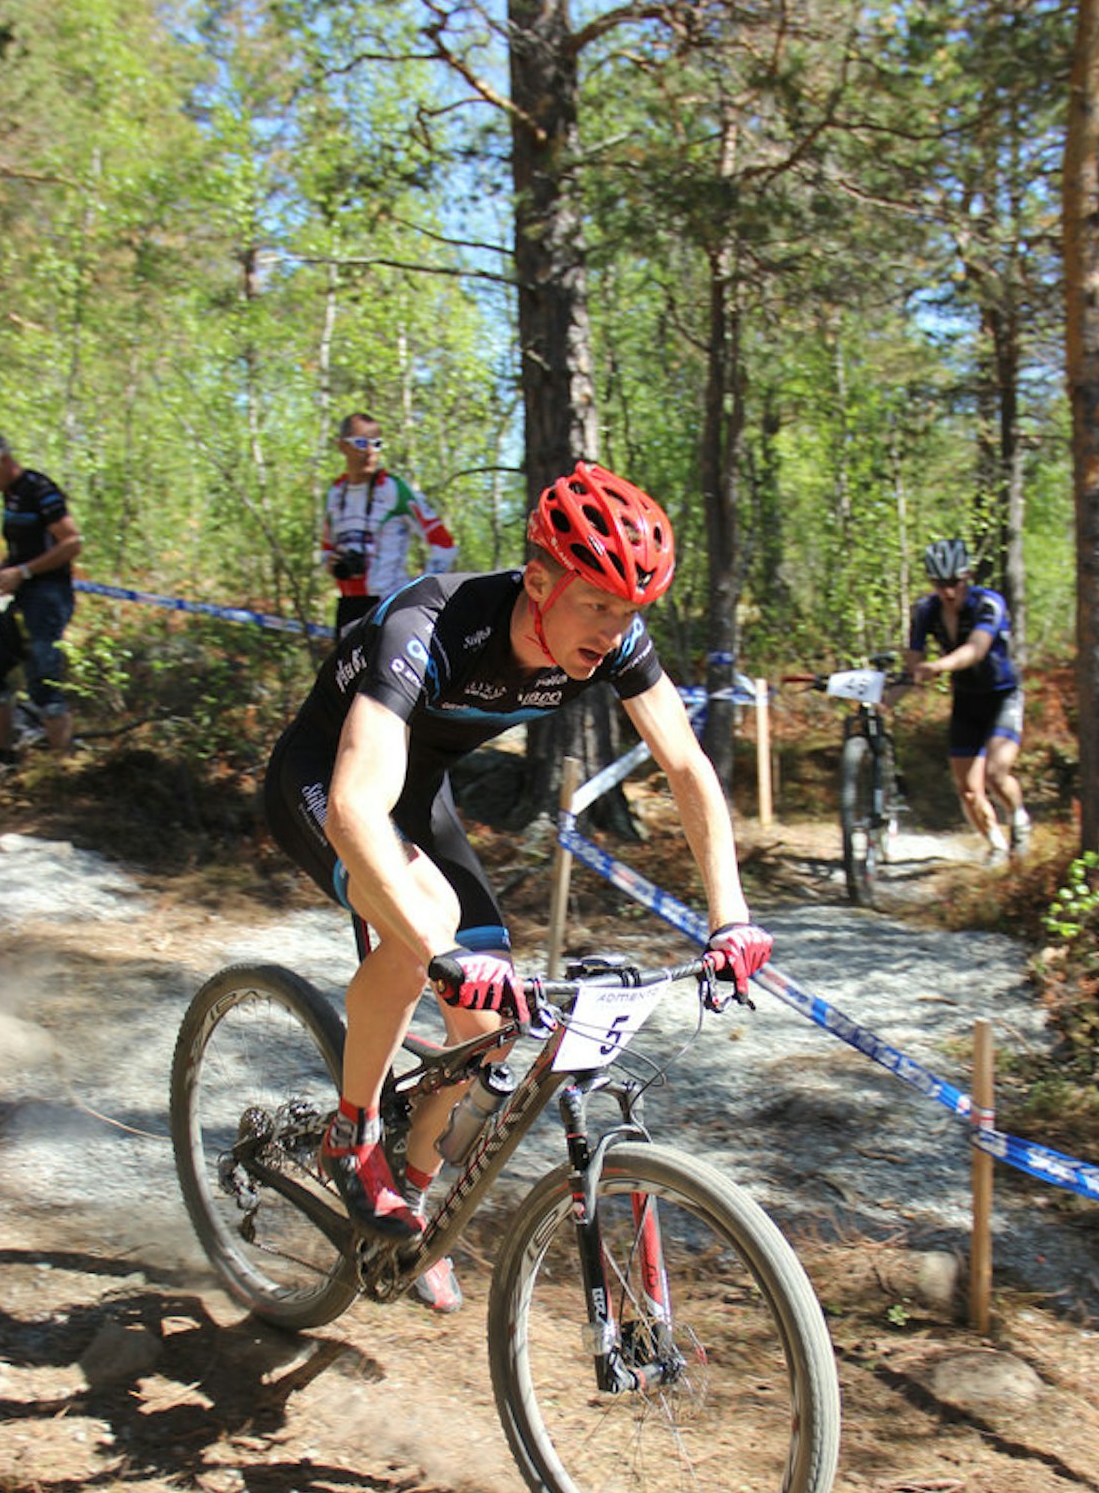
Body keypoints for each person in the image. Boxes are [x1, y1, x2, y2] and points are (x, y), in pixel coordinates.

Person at [267, 462, 772, 1312]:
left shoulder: (615, 638)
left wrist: (732, 918)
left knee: (493, 1035)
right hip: (327, 777)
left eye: (631, 611)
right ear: (538, 581)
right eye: (598, 605)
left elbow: (685, 764)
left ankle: (411, 1203)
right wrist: (436, 950)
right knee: (423, 923)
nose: (614, 632)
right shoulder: (429, 623)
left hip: (419, 787)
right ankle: (349, 1137)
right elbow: (356, 807)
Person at [904, 537, 1032, 861]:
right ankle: (997, 846)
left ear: (968, 577)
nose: (948, 592)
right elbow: (913, 660)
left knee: (996, 773)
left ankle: (1019, 819)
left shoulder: (988, 603)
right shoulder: (925, 610)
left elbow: (976, 649)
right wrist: (899, 687)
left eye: (955, 583)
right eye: (940, 583)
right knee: (968, 788)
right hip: (966, 700)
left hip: (1002, 696)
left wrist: (937, 666)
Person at [0, 426, 82, 774]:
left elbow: (72, 542)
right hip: (23, 598)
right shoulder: (12, 495)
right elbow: (26, 549)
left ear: (2, 459)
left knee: (44, 683)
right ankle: (6, 758)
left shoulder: (39, 489)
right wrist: (1, 574)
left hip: (48, 599)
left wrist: (24, 573)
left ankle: (63, 774)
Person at [321, 412, 457, 638]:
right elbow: (326, 549)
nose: (370, 452)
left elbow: (444, 545)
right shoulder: (335, 493)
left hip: (389, 606)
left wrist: (419, 592)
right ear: (342, 446)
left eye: (377, 444)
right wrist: (330, 562)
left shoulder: (395, 489)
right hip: (348, 606)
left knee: (384, 673)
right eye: (361, 443)